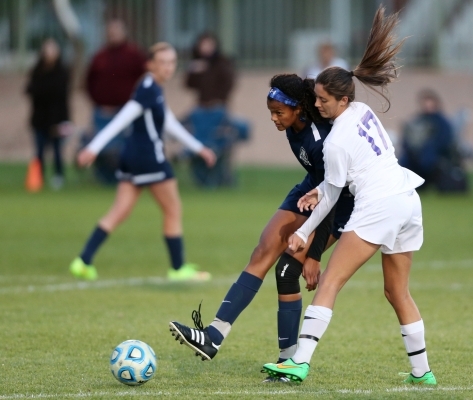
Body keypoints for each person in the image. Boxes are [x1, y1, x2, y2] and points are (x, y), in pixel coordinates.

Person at [262, 6, 436, 385]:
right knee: (396, 291)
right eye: (317, 99)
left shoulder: (335, 141)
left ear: (341, 100)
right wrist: (316, 191)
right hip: (408, 199)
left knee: (330, 283)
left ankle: (299, 362)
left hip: (380, 206)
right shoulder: (362, 110)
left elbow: (332, 197)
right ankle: (423, 374)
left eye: (324, 100)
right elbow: (334, 185)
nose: (318, 105)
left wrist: (304, 232)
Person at [168, 74, 354, 381]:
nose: (274, 118)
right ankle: (214, 335)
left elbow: (332, 197)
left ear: (298, 110)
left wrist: (314, 254)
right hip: (312, 189)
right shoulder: (294, 126)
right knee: (263, 249)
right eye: (271, 112)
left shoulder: (321, 141)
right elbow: (317, 180)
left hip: (339, 203)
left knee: (285, 271)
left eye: (279, 113)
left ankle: (288, 361)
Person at [70, 42, 217, 282]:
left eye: (172, 63)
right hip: (150, 158)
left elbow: (168, 122)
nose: (168, 67)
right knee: (173, 208)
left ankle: (83, 261)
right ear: (150, 64)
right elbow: (123, 118)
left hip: (131, 158)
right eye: (162, 62)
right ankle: (178, 268)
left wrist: (199, 148)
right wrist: (93, 148)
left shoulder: (153, 88)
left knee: (119, 211)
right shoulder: (148, 88)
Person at [85, 19, 147, 184]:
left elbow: (145, 78)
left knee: (124, 146)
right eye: (110, 32)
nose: (113, 35)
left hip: (125, 110)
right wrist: (98, 100)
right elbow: (89, 82)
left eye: (116, 32)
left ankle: (126, 176)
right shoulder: (100, 56)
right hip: (102, 110)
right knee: (102, 144)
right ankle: (104, 178)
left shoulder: (133, 54)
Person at [185, 32, 248, 187]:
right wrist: (194, 71)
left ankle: (222, 177)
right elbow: (189, 84)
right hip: (201, 109)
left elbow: (228, 84)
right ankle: (202, 177)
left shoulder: (222, 63)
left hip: (217, 108)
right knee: (199, 143)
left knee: (221, 142)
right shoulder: (197, 64)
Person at [25, 38, 71, 190]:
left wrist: (63, 121)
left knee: (57, 150)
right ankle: (39, 177)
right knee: (39, 151)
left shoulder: (62, 72)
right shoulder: (37, 71)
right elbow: (30, 90)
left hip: (56, 118)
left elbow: (62, 97)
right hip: (39, 119)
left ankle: (59, 176)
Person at [399, 88, 455, 191]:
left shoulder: (442, 122)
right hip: (414, 155)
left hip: (435, 156)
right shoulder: (416, 120)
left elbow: (444, 141)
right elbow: (407, 137)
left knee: (428, 156)